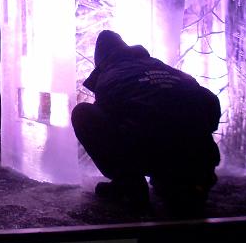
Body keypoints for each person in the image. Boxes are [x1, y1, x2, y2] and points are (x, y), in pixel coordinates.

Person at [72, 30, 221, 211]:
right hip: (200, 157)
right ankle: (185, 181)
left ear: (100, 60)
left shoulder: (111, 75)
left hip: (152, 154)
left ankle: (129, 183)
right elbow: (210, 100)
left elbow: (107, 127)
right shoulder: (163, 67)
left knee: (83, 114)